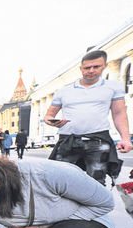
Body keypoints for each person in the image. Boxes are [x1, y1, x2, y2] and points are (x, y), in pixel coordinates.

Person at [44, 50, 132, 186]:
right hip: (68, 141)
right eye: (87, 68)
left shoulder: (113, 87)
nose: (91, 71)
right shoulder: (63, 91)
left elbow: (119, 113)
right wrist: (52, 121)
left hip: (97, 141)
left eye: (96, 66)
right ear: (81, 69)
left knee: (97, 182)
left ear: (105, 66)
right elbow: (49, 115)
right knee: (59, 180)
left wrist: (125, 138)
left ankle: (94, 206)